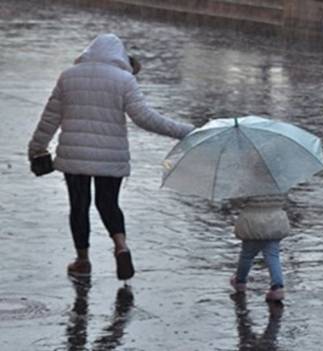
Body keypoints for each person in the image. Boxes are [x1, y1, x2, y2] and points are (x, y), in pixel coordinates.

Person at [28, 33, 194, 280]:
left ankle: (82, 261)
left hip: (75, 155)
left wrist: (36, 148)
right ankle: (121, 246)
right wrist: (186, 131)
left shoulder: (68, 77)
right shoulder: (124, 80)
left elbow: (50, 118)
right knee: (108, 203)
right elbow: (145, 118)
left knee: (79, 206)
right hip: (110, 156)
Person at [230, 194, 290, 302]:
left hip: (252, 222)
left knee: (247, 255)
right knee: (273, 256)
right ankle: (277, 287)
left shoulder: (249, 183)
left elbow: (238, 201)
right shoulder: (279, 182)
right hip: (274, 221)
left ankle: (240, 282)